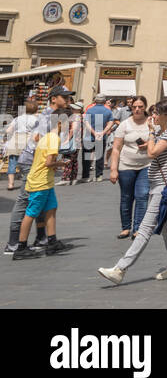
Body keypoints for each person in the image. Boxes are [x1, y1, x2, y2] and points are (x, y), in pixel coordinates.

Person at [97, 99, 167, 284]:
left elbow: (153, 153)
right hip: (159, 183)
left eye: (156, 113)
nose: (153, 116)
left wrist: (150, 134)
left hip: (163, 188)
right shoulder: (163, 131)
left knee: (145, 228)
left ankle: (120, 269)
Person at [11, 99, 73, 261]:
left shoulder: (46, 136)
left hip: (45, 180)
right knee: (31, 213)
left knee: (52, 208)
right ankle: (21, 247)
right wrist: (61, 163)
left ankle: (52, 241)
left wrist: (54, 165)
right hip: (40, 181)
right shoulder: (54, 139)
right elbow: (48, 162)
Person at [109, 97, 152, 240]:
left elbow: (158, 140)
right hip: (126, 166)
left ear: (145, 107)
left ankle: (138, 228)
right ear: (131, 108)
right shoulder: (124, 124)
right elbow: (116, 148)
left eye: (140, 106)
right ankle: (125, 227)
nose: (137, 109)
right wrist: (113, 169)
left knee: (142, 195)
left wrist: (149, 145)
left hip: (146, 165)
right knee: (126, 197)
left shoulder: (151, 122)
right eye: (134, 107)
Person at [5, 100, 40, 191]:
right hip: (28, 142)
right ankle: (27, 183)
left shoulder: (17, 118)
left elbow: (8, 130)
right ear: (35, 109)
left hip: (15, 142)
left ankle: (10, 184)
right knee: (29, 163)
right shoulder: (35, 119)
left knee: (12, 163)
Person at [80, 95, 115, 183]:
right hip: (101, 136)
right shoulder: (108, 111)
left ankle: (85, 176)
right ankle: (98, 175)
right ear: (104, 101)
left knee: (86, 157)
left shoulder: (89, 110)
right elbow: (111, 122)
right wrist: (103, 132)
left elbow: (86, 122)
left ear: (95, 101)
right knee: (99, 157)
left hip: (89, 136)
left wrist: (93, 132)